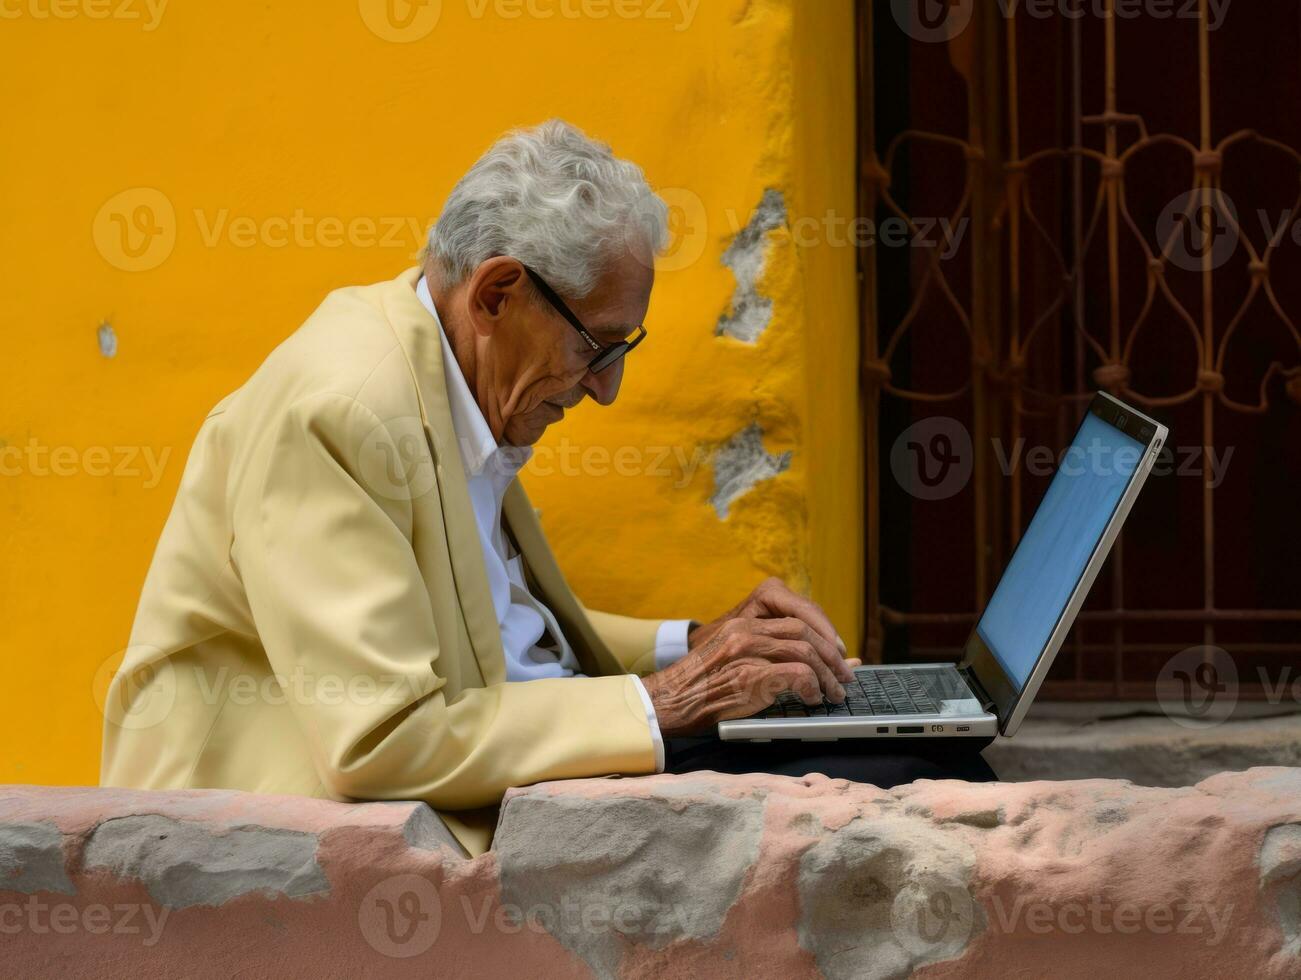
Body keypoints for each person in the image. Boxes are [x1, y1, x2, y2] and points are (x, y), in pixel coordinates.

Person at [101, 120, 993, 857]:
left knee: (915, 747)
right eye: (597, 348)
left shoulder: (448, 373)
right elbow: (378, 741)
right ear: (497, 293)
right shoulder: (341, 413)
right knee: (918, 787)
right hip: (313, 830)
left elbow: (490, 635)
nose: (604, 388)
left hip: (524, 756)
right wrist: (671, 700)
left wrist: (696, 642)